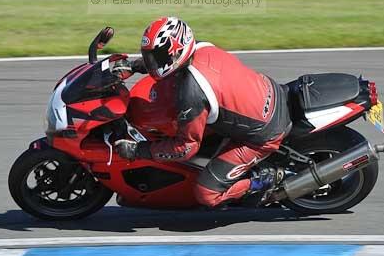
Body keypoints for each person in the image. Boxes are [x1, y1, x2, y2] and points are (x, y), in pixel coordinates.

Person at [115, 16, 292, 207]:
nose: (151, 62)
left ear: (175, 53)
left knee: (206, 194)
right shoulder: (200, 47)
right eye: (148, 56)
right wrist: (133, 66)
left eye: (153, 57)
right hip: (268, 92)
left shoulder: (192, 92)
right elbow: (164, 60)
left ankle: (264, 180)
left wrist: (138, 150)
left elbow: (186, 148)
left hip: (262, 134)